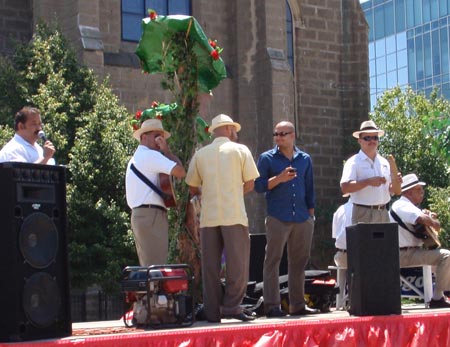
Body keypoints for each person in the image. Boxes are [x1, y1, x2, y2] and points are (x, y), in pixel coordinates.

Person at [185, 114, 259, 323]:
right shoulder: (240, 150)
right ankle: (232, 306)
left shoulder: (200, 154)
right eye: (233, 129)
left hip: (209, 217)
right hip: (233, 214)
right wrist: (233, 193)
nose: (236, 132)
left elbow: (192, 187)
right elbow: (251, 183)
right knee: (238, 263)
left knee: (210, 266)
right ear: (227, 129)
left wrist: (206, 196)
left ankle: (212, 311)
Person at [254, 120, 317, 317]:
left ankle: (298, 305)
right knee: (272, 261)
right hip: (277, 217)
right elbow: (258, 186)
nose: (278, 137)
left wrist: (310, 215)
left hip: (301, 216)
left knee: (298, 262)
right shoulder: (267, 158)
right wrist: (279, 178)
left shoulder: (304, 159)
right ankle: (272, 306)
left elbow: (310, 188)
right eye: (276, 134)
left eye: (283, 133)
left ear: (292, 135)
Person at [125, 118, 186, 266]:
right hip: (151, 215)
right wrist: (166, 151)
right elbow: (180, 172)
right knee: (156, 269)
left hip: (143, 215)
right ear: (143, 137)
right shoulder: (151, 155)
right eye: (156, 136)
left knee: (149, 267)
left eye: (162, 137)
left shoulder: (138, 157)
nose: (160, 140)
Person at [389, 173, 450, 308]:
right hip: (402, 254)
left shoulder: (409, 206)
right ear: (408, 192)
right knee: (446, 256)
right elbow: (421, 219)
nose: (422, 192)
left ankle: (440, 296)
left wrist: (430, 218)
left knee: (443, 259)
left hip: (411, 252)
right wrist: (432, 221)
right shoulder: (401, 205)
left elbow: (425, 220)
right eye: (418, 190)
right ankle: (438, 298)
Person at [340, 120, 401, 224]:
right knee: (364, 241)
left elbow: (391, 190)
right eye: (367, 138)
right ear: (359, 140)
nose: (372, 141)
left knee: (384, 241)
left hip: (383, 212)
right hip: (363, 213)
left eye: (375, 137)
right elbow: (345, 187)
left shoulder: (384, 162)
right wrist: (368, 182)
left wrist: (396, 181)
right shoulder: (353, 162)